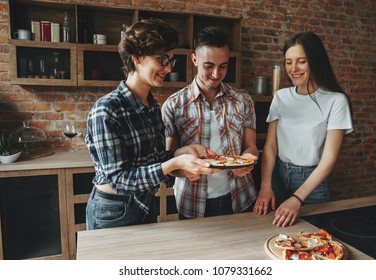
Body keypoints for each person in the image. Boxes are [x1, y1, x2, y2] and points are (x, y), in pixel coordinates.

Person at [85, 19, 220, 230]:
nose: (167, 68)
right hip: (112, 210)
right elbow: (119, 180)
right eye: (162, 59)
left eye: (170, 60)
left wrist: (182, 154)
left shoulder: (152, 106)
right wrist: (175, 164)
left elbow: (153, 161)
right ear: (136, 58)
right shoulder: (107, 109)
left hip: (145, 203)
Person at [253, 31, 353, 227]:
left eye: (301, 61)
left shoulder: (336, 101)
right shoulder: (281, 97)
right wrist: (265, 186)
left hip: (312, 185)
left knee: (313, 243)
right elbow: (271, 146)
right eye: (288, 62)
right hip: (277, 178)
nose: (293, 68)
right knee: (271, 237)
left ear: (316, 61)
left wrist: (297, 198)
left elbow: (329, 158)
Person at [161, 26, 258, 219]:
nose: (216, 73)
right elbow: (169, 161)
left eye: (223, 66)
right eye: (208, 66)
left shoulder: (243, 100)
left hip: (240, 197)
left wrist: (248, 161)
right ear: (194, 59)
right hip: (193, 202)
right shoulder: (174, 105)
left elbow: (251, 147)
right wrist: (186, 171)